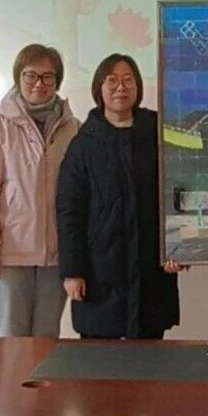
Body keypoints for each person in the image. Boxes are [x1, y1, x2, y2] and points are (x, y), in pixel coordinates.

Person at [56, 53, 183, 339]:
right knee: (101, 358)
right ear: (99, 88)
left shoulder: (159, 135)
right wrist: (72, 271)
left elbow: (178, 194)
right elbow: (69, 211)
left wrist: (178, 249)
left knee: (151, 353)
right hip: (99, 270)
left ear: (138, 87)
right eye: (111, 80)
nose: (120, 87)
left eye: (128, 80)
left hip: (151, 268)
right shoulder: (83, 144)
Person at [0, 44, 79, 337]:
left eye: (47, 76)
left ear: (57, 81)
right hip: (10, 256)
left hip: (56, 257)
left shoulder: (73, 129)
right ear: (18, 77)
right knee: (10, 340)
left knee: (47, 340)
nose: (39, 83)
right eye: (31, 75)